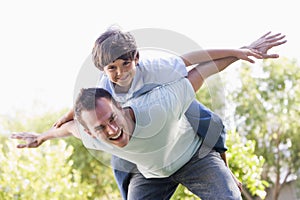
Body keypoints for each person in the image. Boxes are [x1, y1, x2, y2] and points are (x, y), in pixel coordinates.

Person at [12, 28, 286, 199]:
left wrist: (241, 51)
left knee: (209, 122)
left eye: (125, 64)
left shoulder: (159, 77)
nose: (120, 73)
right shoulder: (104, 92)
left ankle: (225, 172)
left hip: (180, 135)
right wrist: (46, 133)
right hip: (150, 169)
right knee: (120, 160)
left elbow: (197, 63)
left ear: (136, 59)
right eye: (112, 69)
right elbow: (77, 117)